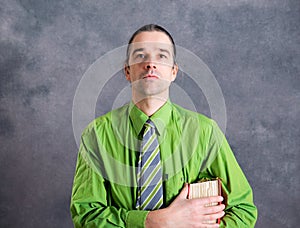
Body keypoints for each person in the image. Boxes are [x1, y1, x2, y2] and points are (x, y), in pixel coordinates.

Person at [70, 24, 257, 227]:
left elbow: (243, 210)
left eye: (161, 56)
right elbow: (86, 215)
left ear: (173, 71)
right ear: (127, 71)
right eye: (140, 56)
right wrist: (152, 221)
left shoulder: (205, 132)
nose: (150, 64)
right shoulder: (97, 135)